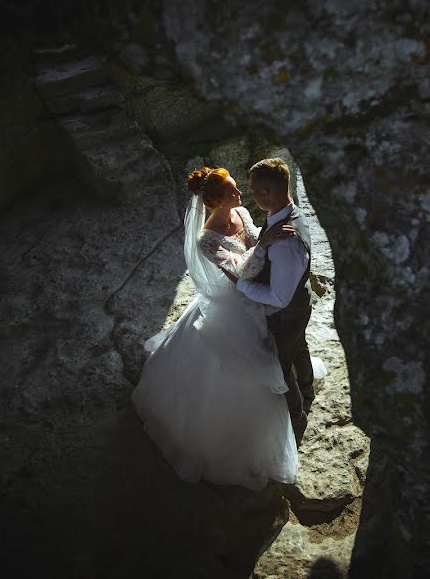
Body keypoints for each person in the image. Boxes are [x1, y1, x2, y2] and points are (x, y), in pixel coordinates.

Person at [130, 166, 299, 491]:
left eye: (237, 189)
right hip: (234, 307)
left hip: (257, 296)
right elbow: (239, 275)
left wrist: (264, 241)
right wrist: (265, 243)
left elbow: (252, 240)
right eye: (232, 192)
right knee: (241, 373)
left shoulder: (238, 210)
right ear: (214, 203)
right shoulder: (206, 239)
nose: (240, 196)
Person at [231, 158, 317, 443]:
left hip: (286, 313)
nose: (251, 195)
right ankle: (308, 389)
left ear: (266, 194)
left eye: (254, 191)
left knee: (279, 367)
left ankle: (297, 419)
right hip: (298, 306)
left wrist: (244, 286)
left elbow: (279, 297)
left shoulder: (284, 244)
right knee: (299, 346)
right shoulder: (288, 214)